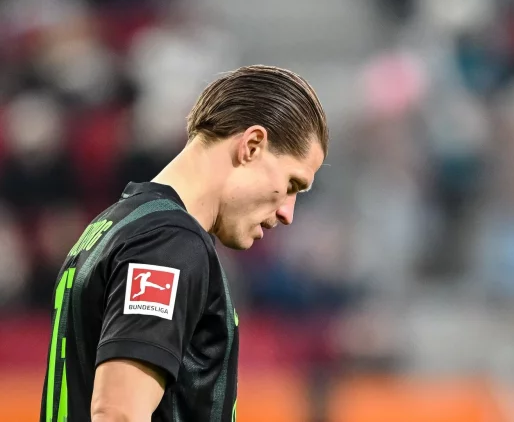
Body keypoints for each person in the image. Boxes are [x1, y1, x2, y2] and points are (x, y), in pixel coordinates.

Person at [40, 65, 328, 422]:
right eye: (291, 185)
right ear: (252, 145)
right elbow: (119, 414)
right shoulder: (168, 245)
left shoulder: (113, 225)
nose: (287, 212)